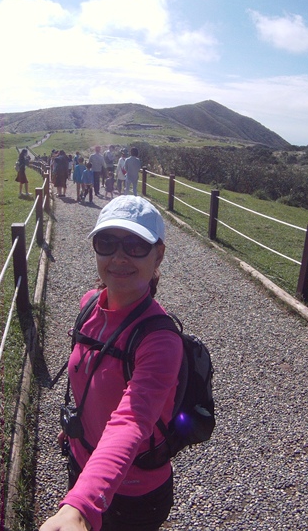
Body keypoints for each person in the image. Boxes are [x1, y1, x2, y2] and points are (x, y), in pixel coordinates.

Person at [40, 196, 182, 531]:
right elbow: (91, 378)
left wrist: (79, 505)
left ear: (158, 254)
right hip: (81, 464)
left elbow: (130, 421)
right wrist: (79, 427)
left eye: (135, 245)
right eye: (107, 243)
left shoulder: (161, 341)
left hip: (135, 496)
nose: (119, 256)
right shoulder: (90, 304)